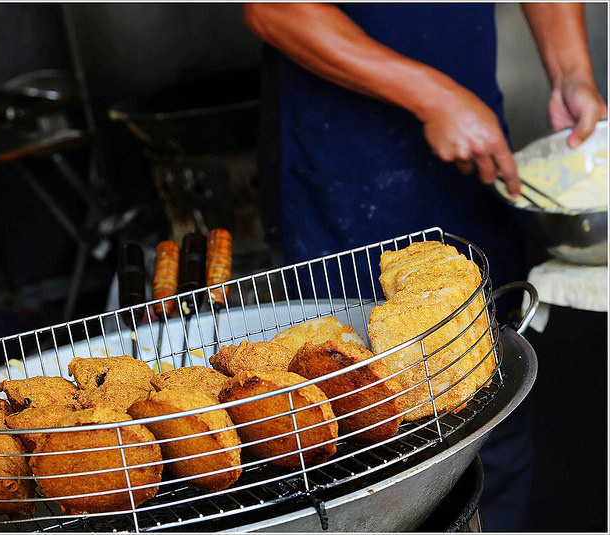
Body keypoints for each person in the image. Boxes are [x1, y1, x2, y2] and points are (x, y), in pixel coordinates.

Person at [244, 3, 606, 531]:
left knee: (490, 408)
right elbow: (275, 9)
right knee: (357, 430)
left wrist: (572, 72)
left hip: (470, 146)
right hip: (346, 163)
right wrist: (433, 97)